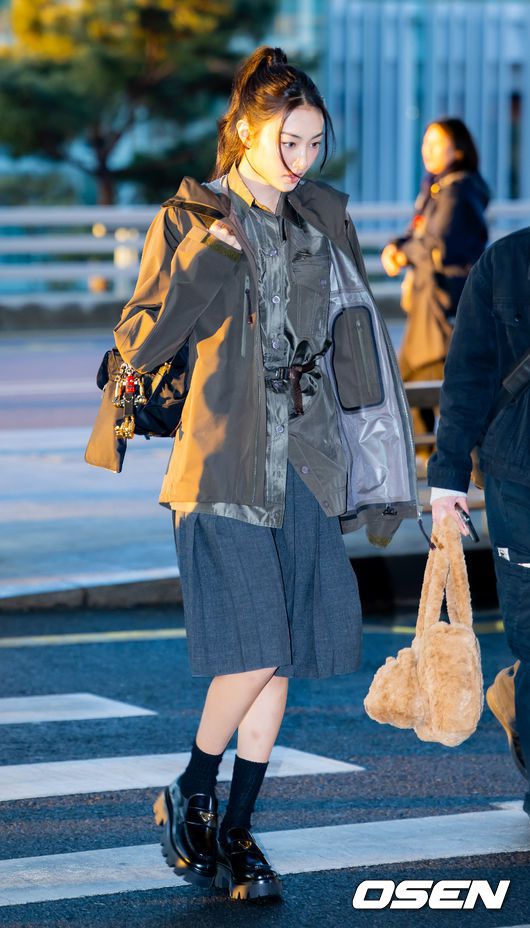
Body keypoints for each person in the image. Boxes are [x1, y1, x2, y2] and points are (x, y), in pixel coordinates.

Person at [114, 45, 418, 902]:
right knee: (258, 648)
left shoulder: (319, 218)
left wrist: (378, 458)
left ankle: (238, 831)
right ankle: (192, 790)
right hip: (222, 464)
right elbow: (141, 341)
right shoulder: (191, 218)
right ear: (246, 132)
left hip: (307, 467)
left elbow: (354, 341)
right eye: (288, 142)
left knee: (279, 663)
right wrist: (207, 258)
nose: (301, 160)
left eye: (314, 144)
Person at [428, 226, 530, 819]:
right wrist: (447, 480)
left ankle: (515, 695)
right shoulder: (508, 261)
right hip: (520, 478)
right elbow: (467, 371)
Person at [381, 118, 490, 468]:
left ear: (457, 150)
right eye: (425, 142)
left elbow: (437, 243)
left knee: (436, 383)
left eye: (436, 143)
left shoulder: (459, 190)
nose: (426, 150)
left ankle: (455, 465)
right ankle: (433, 462)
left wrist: (402, 253)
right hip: (431, 305)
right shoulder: (438, 188)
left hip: (445, 305)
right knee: (418, 381)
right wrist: (397, 246)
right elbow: (418, 234)